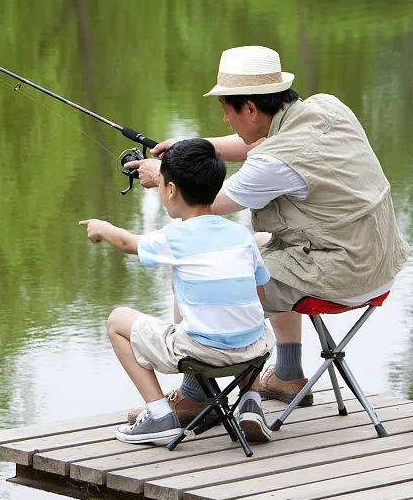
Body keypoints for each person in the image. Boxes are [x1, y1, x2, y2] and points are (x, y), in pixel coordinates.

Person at [124, 46, 410, 413]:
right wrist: (192, 148)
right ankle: (288, 375)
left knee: (201, 259)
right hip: (381, 262)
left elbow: (201, 203)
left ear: (250, 109)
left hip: (344, 275)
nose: (225, 121)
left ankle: (194, 395)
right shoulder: (325, 108)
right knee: (259, 246)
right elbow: (256, 144)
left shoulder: (275, 162)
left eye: (226, 111)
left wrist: (166, 175)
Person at [80, 138, 275, 444]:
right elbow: (261, 298)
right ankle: (251, 401)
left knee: (118, 321)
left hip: (204, 354)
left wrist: (101, 227)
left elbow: (127, 243)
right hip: (253, 352)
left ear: (170, 190)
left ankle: (159, 415)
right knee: (251, 321)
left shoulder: (176, 237)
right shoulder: (240, 235)